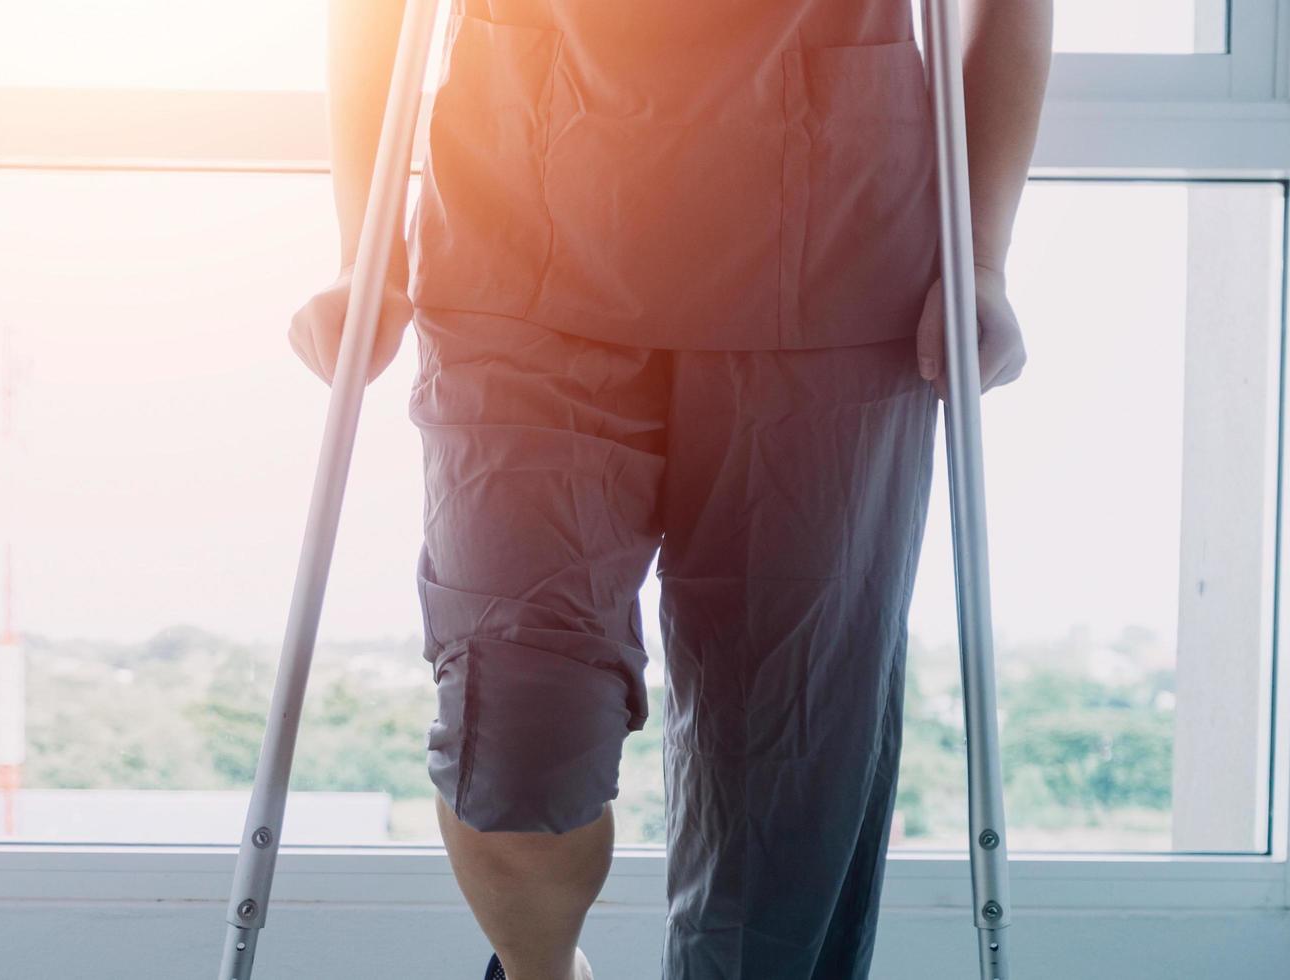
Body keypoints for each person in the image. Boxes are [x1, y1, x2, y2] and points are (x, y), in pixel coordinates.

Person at [288, 1, 1051, 977]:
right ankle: (541, 967)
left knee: (786, 781)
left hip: (833, 257)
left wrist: (981, 256)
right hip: (521, 245)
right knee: (515, 740)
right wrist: (365, 250)